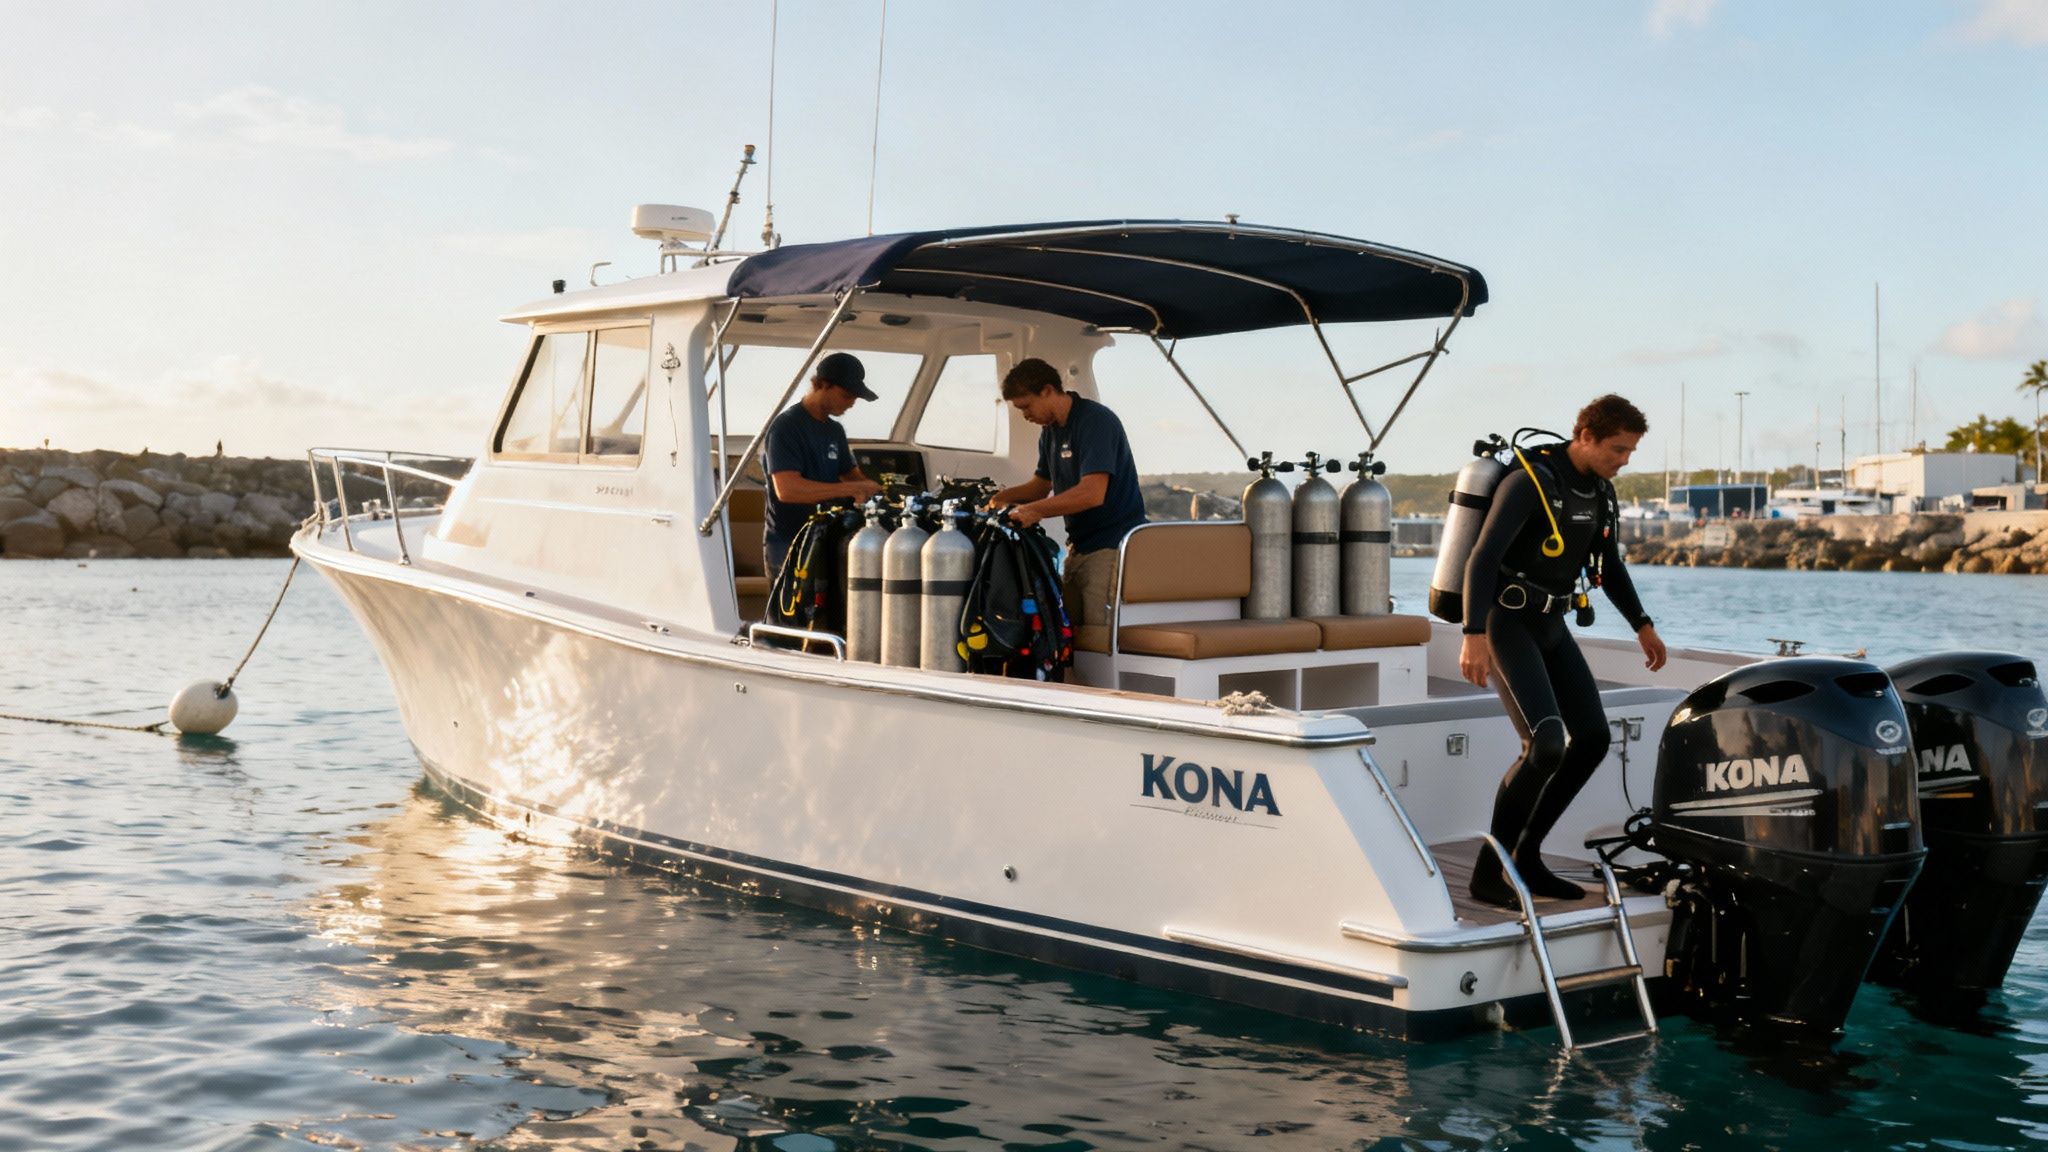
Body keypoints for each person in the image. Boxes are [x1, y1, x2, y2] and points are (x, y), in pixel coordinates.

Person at [1460, 394, 1669, 908]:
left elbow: (1609, 563)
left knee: (1593, 738)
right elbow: (1482, 558)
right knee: (1546, 745)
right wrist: (1472, 634)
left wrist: (1641, 624)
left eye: (1631, 452)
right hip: (1507, 621)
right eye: (1618, 449)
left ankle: (1527, 859)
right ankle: (1490, 873)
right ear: (1586, 437)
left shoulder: (1599, 491)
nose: (1624, 461)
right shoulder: (1530, 484)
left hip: (1552, 622)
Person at [987, 358, 1147, 628]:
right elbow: (1040, 486)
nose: (1025, 416)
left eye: (1026, 406)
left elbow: (1092, 493)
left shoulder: (1096, 421)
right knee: (1069, 637)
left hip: (1110, 548)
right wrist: (1000, 498)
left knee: (1098, 638)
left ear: (1048, 391)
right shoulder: (1049, 433)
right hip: (1077, 550)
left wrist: (1034, 511)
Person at [761, 351, 884, 580]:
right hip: (789, 544)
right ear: (822, 385)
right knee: (788, 616)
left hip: (826, 539)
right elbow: (788, 490)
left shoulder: (834, 430)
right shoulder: (786, 427)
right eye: (847, 395)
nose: (852, 404)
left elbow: (849, 475)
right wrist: (851, 490)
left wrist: (877, 489)